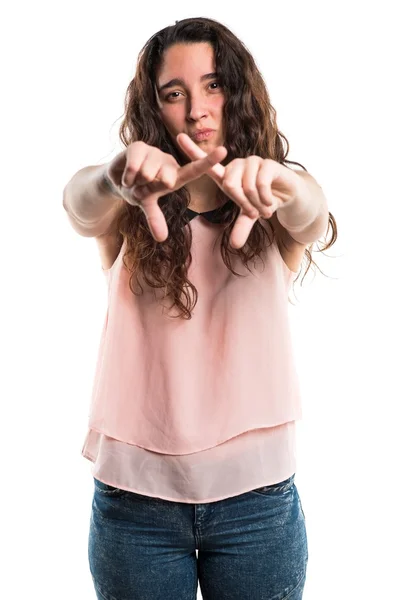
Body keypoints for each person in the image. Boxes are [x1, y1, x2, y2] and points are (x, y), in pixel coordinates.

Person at [63, 16, 337, 600]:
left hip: (257, 505)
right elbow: (79, 206)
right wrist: (114, 180)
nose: (197, 111)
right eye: (174, 93)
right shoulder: (128, 202)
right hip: (135, 508)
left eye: (213, 85)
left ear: (238, 91)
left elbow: (313, 216)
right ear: (154, 107)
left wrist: (288, 187)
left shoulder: (272, 196)